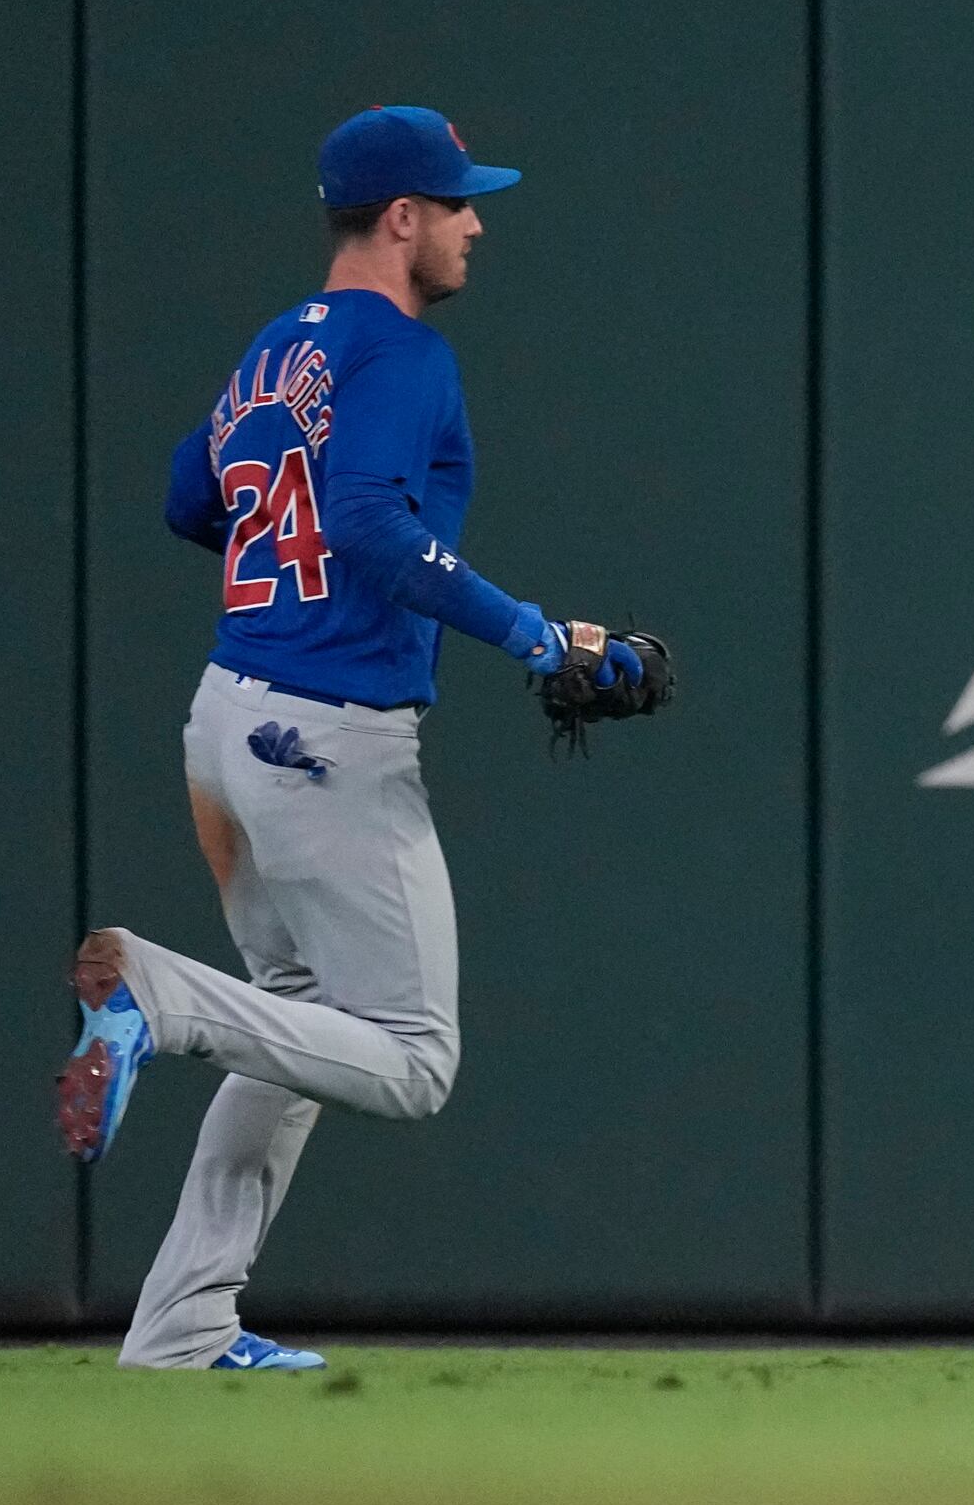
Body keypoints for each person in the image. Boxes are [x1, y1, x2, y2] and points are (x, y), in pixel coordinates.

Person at [55, 105, 647, 1371]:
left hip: (226, 718)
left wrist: (304, 574)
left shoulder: (277, 351)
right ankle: (157, 999)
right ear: (401, 219)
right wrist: (534, 636)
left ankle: (181, 1326)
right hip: (325, 737)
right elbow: (375, 527)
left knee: (300, 1014)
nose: (476, 225)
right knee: (412, 1060)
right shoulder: (403, 354)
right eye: (459, 204)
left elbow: (187, 500)